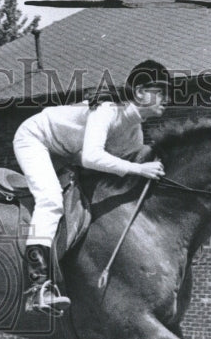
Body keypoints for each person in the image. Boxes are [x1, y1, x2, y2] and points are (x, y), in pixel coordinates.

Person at [12, 59, 170, 313]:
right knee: (51, 200)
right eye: (161, 92)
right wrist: (139, 168)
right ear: (140, 92)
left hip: (65, 153)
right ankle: (36, 286)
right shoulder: (108, 109)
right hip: (36, 139)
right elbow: (92, 158)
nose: (168, 99)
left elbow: (115, 169)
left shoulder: (134, 134)